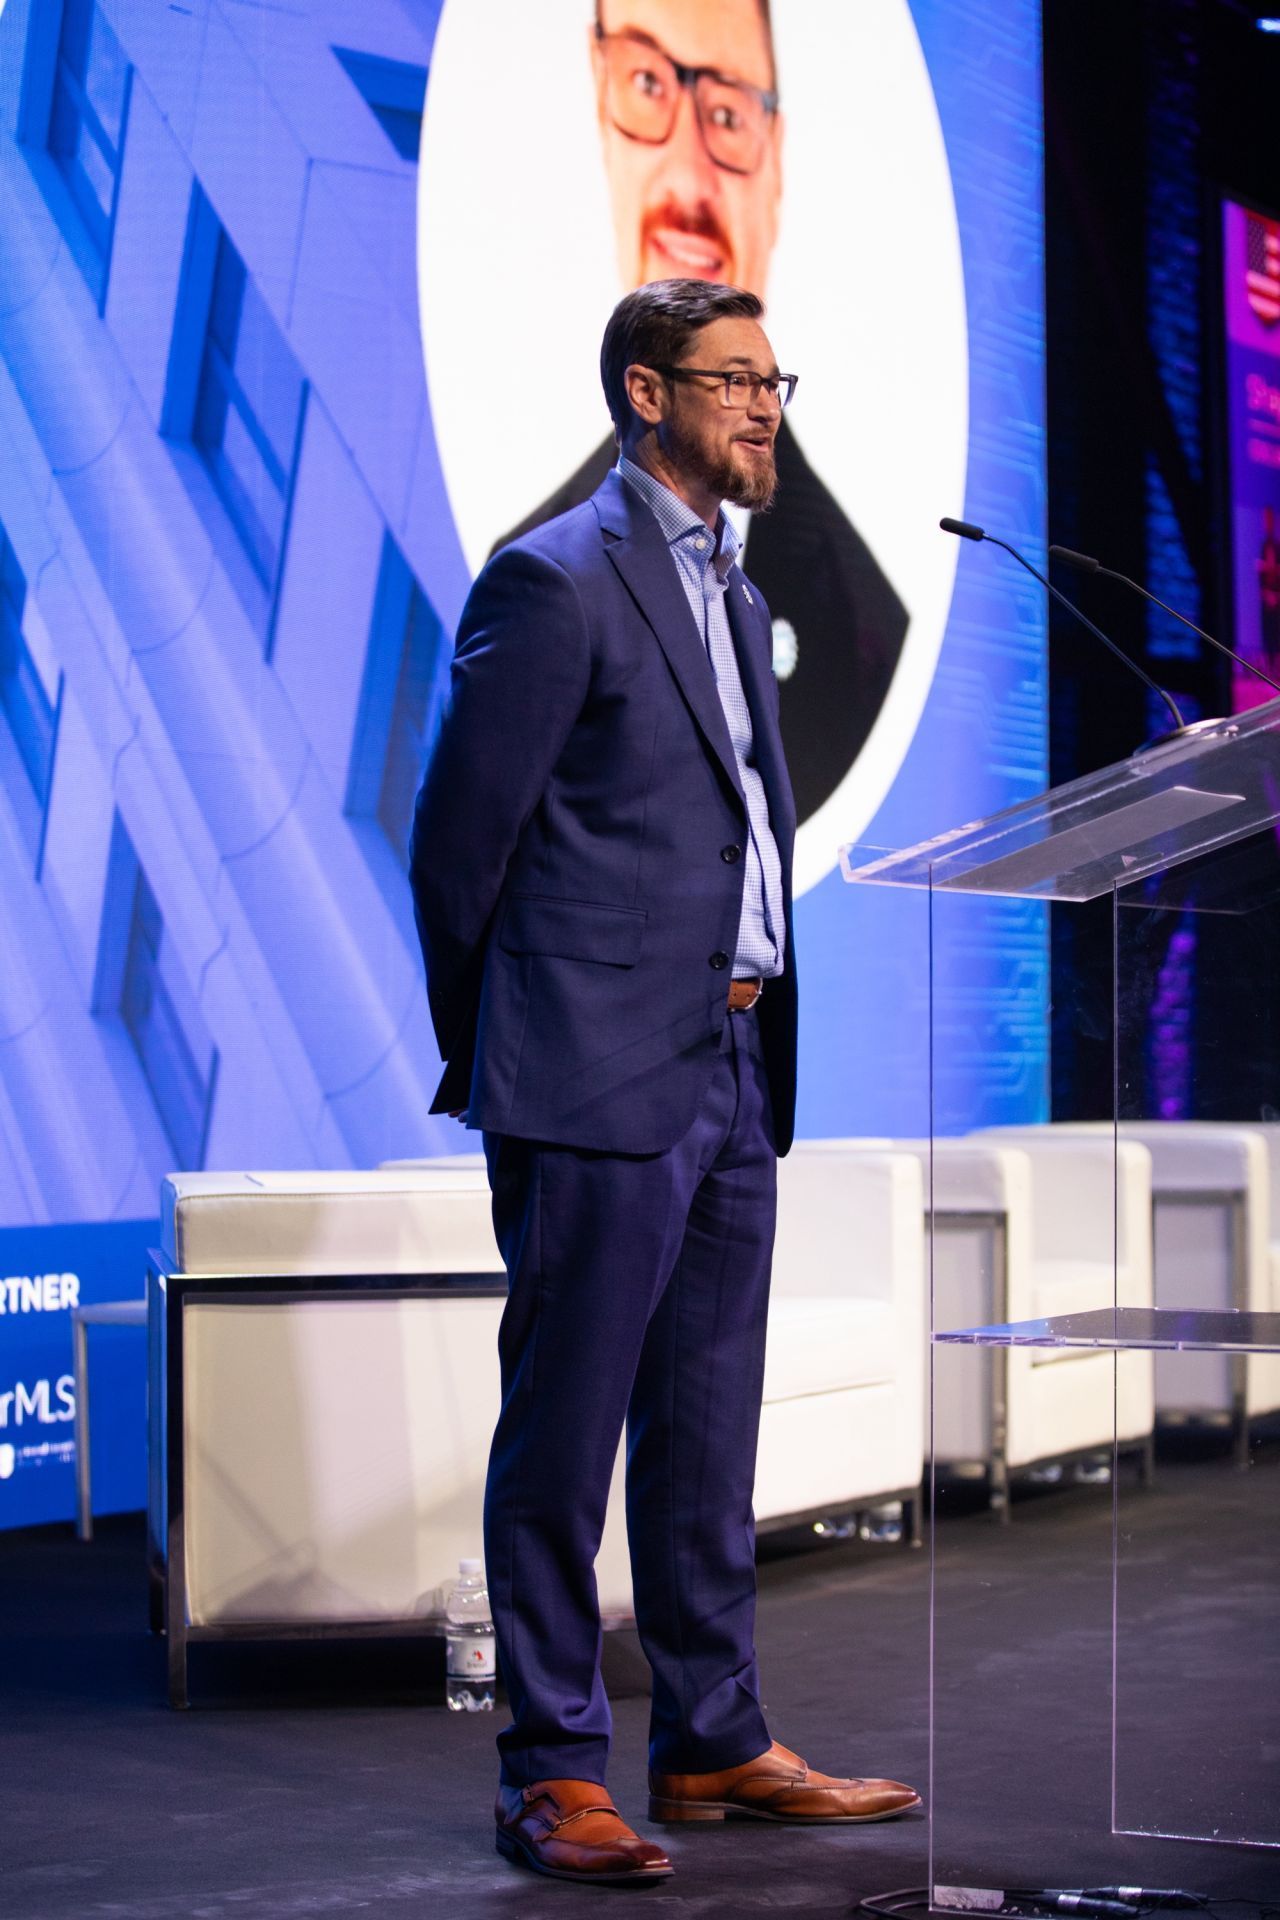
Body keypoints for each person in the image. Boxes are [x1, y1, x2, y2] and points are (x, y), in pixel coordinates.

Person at [410, 277, 919, 1888]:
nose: (768, 408)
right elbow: (456, 847)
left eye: (778, 382)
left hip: (728, 1060)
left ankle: (711, 1739)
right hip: (589, 1073)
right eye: (735, 381)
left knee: (705, 1434)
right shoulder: (558, 581)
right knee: (564, 1438)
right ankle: (551, 1769)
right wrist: (514, 1051)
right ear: (647, 393)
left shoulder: (726, 583)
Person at [496, 0, 909, 827]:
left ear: (778, 165)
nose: (689, 181)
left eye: (728, 115)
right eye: (646, 85)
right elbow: (471, 842)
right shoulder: (542, 576)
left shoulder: (861, 611)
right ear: (645, 391)